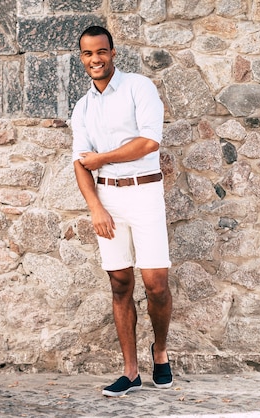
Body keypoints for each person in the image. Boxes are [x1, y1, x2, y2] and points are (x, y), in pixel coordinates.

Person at [71, 25, 173, 397]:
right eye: (87, 54)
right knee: (120, 283)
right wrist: (95, 206)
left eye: (101, 52)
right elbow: (81, 164)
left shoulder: (138, 87)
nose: (94, 59)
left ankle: (159, 350)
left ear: (113, 53)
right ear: (81, 58)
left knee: (156, 284)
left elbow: (148, 142)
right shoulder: (82, 108)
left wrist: (103, 158)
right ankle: (130, 372)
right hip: (108, 199)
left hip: (144, 193)